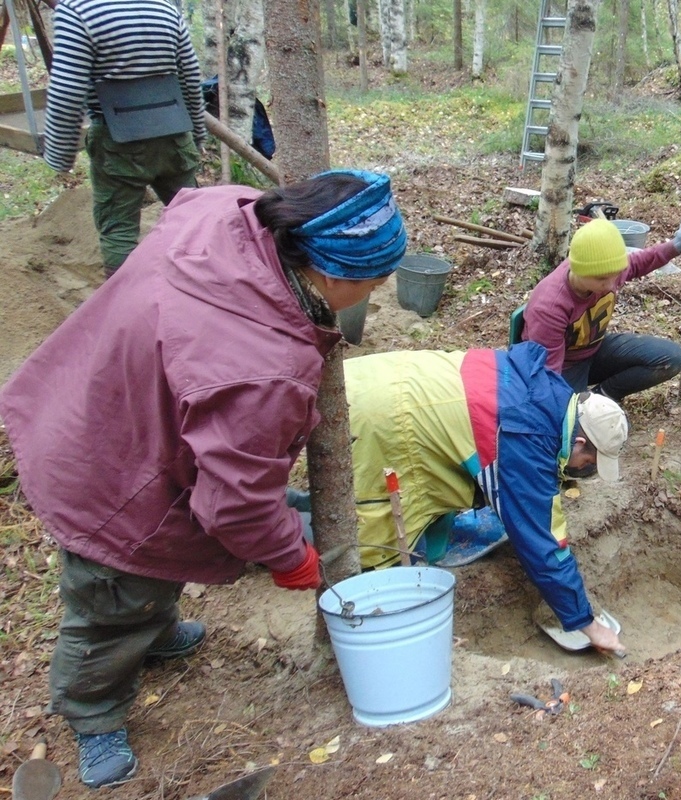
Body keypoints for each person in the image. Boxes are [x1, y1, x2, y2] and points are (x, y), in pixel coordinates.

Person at [0, 170, 408, 789]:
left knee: (148, 587)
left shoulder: (229, 216)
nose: (379, 291)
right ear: (333, 276)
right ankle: (93, 707)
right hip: (112, 486)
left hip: (92, 398)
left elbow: (231, 471)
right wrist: (286, 556)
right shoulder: (264, 366)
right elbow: (236, 506)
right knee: (114, 598)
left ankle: (156, 632)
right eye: (377, 281)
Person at [340, 341, 629, 655]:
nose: (582, 472)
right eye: (587, 464)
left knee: (418, 489)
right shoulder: (524, 436)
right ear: (580, 441)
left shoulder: (550, 394)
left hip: (383, 378)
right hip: (381, 418)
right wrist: (585, 622)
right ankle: (313, 559)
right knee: (370, 538)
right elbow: (543, 543)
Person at [41, 0, 207, 278]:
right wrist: (198, 134)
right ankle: (206, 292)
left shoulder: (78, 11)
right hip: (175, 136)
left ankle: (128, 307)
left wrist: (59, 154)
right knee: (194, 221)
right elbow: (190, 77)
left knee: (118, 229)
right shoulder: (163, 7)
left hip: (119, 141)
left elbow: (66, 92)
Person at [519, 210, 681, 404]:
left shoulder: (606, 270)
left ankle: (603, 396)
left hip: (593, 351)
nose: (612, 284)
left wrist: (674, 247)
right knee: (572, 419)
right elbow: (547, 375)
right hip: (564, 367)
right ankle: (587, 405)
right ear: (580, 272)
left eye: (616, 274)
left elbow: (637, 263)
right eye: (603, 279)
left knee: (670, 358)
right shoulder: (550, 306)